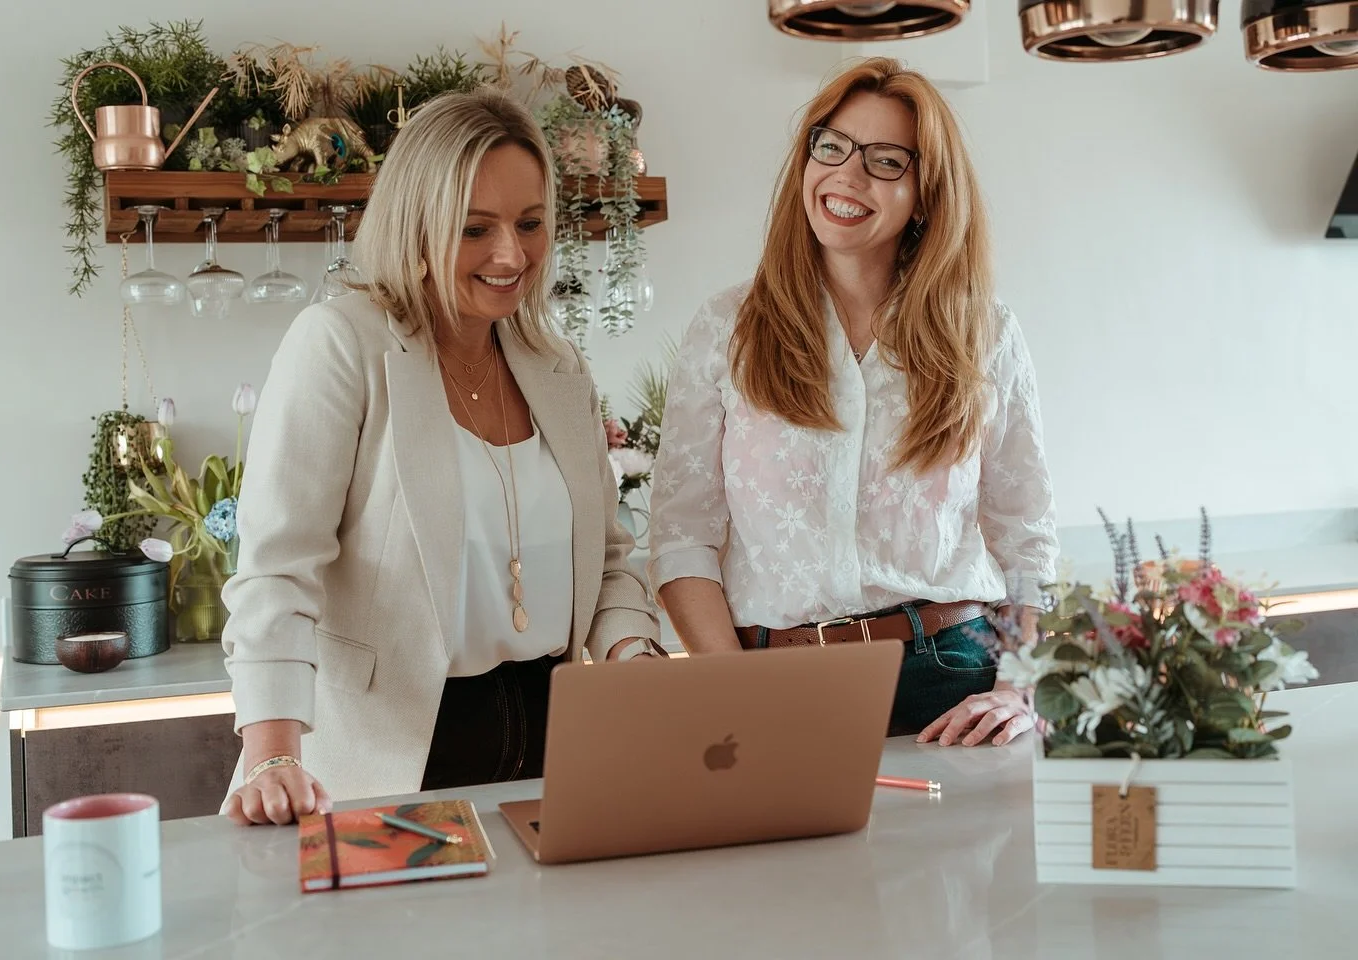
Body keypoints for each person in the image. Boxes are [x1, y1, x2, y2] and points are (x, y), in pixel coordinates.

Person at [221, 90, 661, 826]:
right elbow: (277, 568)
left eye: (530, 224)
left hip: (555, 745)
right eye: (474, 229)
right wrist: (273, 756)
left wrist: (637, 657)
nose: (510, 255)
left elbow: (608, 559)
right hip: (390, 754)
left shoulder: (558, 366)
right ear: (416, 223)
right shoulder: (342, 343)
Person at [646, 58, 1057, 749]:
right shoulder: (728, 327)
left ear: (925, 195)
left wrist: (1017, 686)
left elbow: (1026, 535)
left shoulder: (985, 333)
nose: (846, 175)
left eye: (885, 160)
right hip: (772, 680)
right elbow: (682, 535)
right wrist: (731, 687)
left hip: (954, 676)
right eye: (831, 146)